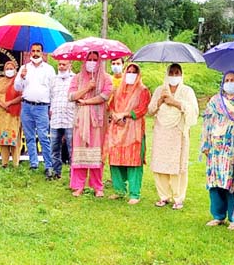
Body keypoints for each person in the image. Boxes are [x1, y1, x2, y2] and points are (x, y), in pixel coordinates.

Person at [199, 71, 234, 230]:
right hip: (215, 148)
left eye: (233, 80)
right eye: (227, 80)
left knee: (232, 182)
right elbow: (207, 121)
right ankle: (218, 216)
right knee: (215, 182)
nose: (229, 82)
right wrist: (205, 144)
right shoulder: (215, 100)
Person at [148, 63, 199, 210]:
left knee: (177, 165)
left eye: (177, 73)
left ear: (181, 75)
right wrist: (160, 101)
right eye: (172, 73)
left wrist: (175, 102)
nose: (174, 76)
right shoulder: (160, 90)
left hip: (178, 131)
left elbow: (194, 110)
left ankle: (178, 198)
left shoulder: (187, 91)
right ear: (167, 74)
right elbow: (150, 111)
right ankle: (163, 196)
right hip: (161, 131)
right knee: (159, 163)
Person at [105, 63, 151, 204]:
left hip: (134, 130)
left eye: (134, 72)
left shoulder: (143, 91)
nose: (131, 74)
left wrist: (125, 114)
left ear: (138, 75)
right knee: (115, 159)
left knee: (134, 161)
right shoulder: (118, 90)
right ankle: (119, 191)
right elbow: (111, 106)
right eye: (129, 71)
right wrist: (114, 115)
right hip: (117, 129)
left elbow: (142, 110)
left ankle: (134, 194)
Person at [68, 51, 112, 197]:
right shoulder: (77, 78)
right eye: (89, 59)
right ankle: (78, 186)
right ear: (84, 61)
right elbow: (71, 96)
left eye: (95, 59)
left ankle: (97, 186)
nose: (92, 62)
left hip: (97, 121)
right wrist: (87, 88)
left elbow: (105, 96)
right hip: (80, 121)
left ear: (99, 61)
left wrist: (86, 101)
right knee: (80, 152)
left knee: (95, 152)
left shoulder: (106, 78)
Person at [14, 42, 56, 179]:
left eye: (38, 51)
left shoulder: (49, 69)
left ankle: (49, 166)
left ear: (43, 53)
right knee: (30, 137)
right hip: (26, 106)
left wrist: (52, 108)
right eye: (33, 51)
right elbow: (17, 88)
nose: (36, 53)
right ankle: (33, 163)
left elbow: (53, 90)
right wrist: (21, 77)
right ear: (30, 53)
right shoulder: (24, 68)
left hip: (42, 107)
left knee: (43, 137)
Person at [0, 60, 23, 167]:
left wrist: (9, 102)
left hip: (13, 114)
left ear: (15, 70)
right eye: (7, 69)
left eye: (11, 69)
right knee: (2, 139)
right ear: (4, 70)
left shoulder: (18, 82)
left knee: (14, 138)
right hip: (1, 113)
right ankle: (4, 163)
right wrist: (2, 104)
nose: (9, 71)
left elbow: (21, 96)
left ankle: (15, 164)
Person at [49, 60, 75, 179]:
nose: (61, 66)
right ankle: (56, 172)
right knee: (54, 147)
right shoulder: (53, 79)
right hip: (55, 118)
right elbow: (50, 96)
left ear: (70, 65)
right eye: (59, 64)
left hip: (70, 118)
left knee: (72, 148)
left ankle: (73, 174)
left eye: (64, 64)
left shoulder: (75, 79)